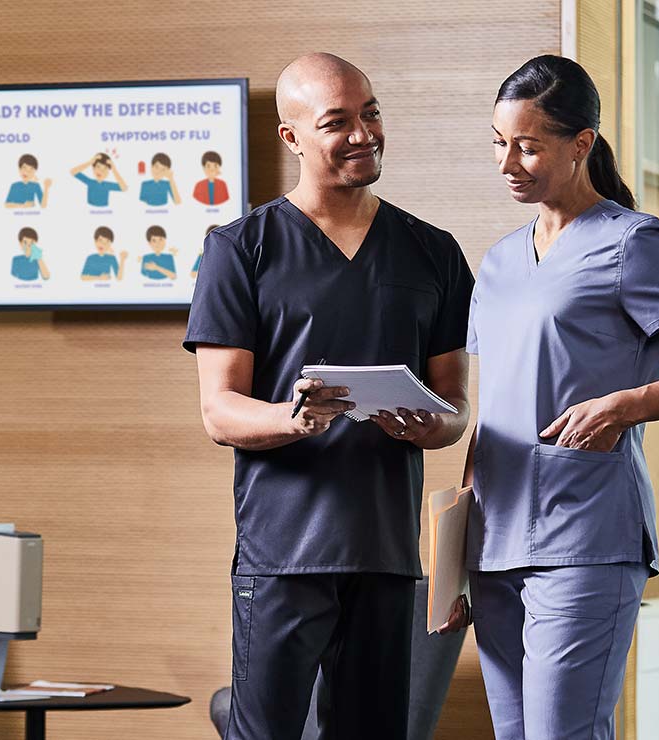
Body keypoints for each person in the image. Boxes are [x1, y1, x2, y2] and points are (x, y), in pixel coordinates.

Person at [440, 55, 659, 740]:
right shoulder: (501, 259)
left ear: (581, 144)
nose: (508, 163)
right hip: (495, 538)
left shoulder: (632, 243)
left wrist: (628, 405)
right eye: (499, 143)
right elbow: (498, 401)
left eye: (528, 146)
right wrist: (455, 551)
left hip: (586, 537)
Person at [184, 53, 474, 740]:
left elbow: (455, 405)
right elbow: (218, 408)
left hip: (387, 554)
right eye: (337, 122)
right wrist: (292, 417)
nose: (363, 133)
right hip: (281, 555)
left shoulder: (432, 252)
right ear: (292, 138)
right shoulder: (240, 249)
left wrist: (429, 425)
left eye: (370, 112)